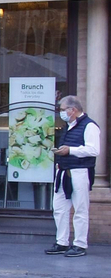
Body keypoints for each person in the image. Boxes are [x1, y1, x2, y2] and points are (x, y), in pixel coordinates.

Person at [48, 95, 98, 257]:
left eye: (63, 110)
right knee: (60, 208)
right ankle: (62, 241)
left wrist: (71, 150)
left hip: (80, 171)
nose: (61, 113)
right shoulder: (68, 126)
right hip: (63, 170)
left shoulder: (89, 126)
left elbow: (93, 150)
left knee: (80, 208)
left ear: (73, 110)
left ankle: (80, 244)